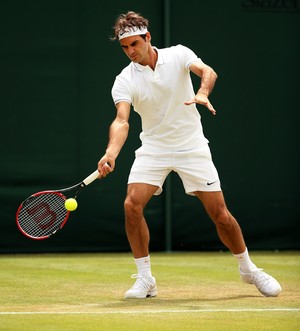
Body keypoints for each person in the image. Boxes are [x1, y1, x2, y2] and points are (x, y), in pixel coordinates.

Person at [97, 11, 281, 299]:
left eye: (135, 44)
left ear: (148, 37)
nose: (130, 52)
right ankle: (146, 280)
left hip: (191, 146)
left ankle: (248, 269)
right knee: (132, 205)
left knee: (221, 216)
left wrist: (203, 92)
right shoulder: (124, 79)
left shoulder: (179, 54)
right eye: (125, 47)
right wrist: (111, 152)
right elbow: (122, 120)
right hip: (154, 149)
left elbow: (208, 71)